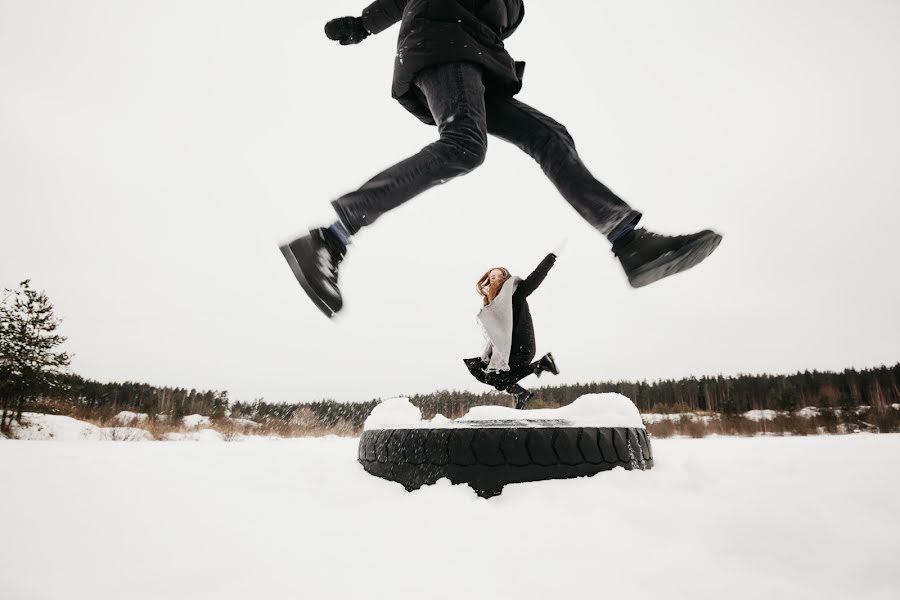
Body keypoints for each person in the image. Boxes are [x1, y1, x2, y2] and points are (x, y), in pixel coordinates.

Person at [280, 1, 722, 318]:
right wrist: (363, 23)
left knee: (549, 136)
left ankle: (630, 242)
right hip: (441, 42)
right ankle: (330, 237)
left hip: (479, 59)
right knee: (464, 145)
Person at [464, 253, 559, 409]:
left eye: (498, 276)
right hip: (505, 352)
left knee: (495, 374)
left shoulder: (517, 294)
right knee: (477, 368)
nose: (494, 280)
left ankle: (541, 364)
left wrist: (551, 258)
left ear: (505, 278)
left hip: (523, 348)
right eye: (491, 277)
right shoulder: (492, 307)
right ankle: (519, 390)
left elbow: (536, 276)